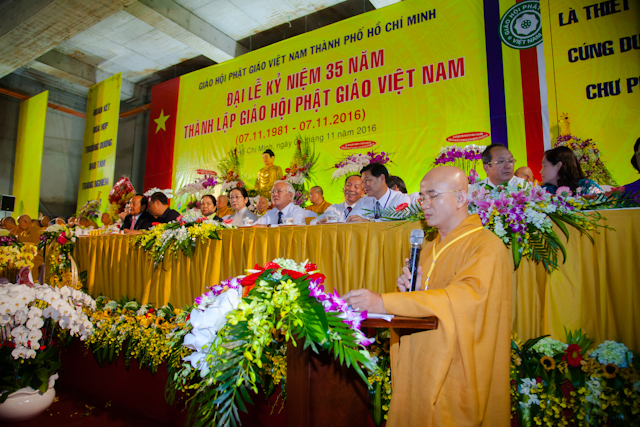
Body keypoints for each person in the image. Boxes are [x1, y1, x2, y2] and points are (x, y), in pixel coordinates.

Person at [343, 166, 511, 427]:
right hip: (422, 362)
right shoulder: (429, 248)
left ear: (461, 198)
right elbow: (432, 301)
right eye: (422, 197)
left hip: (458, 367)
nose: (424, 204)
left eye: (433, 195)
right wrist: (412, 295)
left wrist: (384, 302)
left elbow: (464, 299)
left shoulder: (486, 245)